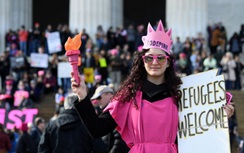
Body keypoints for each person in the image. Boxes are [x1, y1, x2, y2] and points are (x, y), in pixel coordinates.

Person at [71, 20, 235, 153]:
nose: (155, 62)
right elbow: (97, 129)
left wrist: (219, 119)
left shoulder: (183, 93)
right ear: (142, 61)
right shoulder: (128, 95)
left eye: (160, 58)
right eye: (149, 58)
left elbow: (199, 135)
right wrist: (83, 96)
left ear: (169, 61)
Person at [38, 93, 108, 153]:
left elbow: (42, 149)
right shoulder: (88, 125)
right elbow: (100, 149)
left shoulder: (51, 125)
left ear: (65, 106)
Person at [90, 85, 130, 153]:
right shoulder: (103, 112)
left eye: (99, 97)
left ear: (109, 95)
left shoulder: (115, 112)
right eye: (96, 99)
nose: (97, 101)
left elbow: (120, 141)